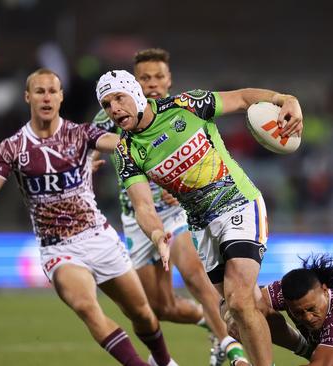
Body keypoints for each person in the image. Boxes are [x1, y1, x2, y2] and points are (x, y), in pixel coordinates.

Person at [0, 68, 177, 366]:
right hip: (58, 249)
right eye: (39, 91)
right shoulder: (13, 147)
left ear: (61, 97)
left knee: (142, 313)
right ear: (28, 97)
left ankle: (164, 361)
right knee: (87, 307)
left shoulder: (80, 133)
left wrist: (149, 145)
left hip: (98, 237)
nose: (46, 97)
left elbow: (120, 145)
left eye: (52, 91)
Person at [95, 69, 303, 366]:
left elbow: (244, 99)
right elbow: (142, 206)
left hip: (239, 204)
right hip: (202, 227)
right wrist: (156, 235)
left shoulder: (185, 105)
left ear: (136, 94)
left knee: (240, 301)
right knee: (240, 312)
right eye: (106, 104)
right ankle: (307, 347)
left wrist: (285, 99)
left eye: (119, 97)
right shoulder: (126, 152)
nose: (114, 108)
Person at [92, 48, 246, 366]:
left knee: (193, 272)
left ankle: (235, 352)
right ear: (134, 83)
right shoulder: (110, 116)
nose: (152, 84)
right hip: (138, 218)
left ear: (169, 79)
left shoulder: (180, 111)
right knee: (161, 308)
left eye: (158, 77)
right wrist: (91, 159)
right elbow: (91, 144)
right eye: (144, 78)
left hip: (179, 213)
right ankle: (211, 324)